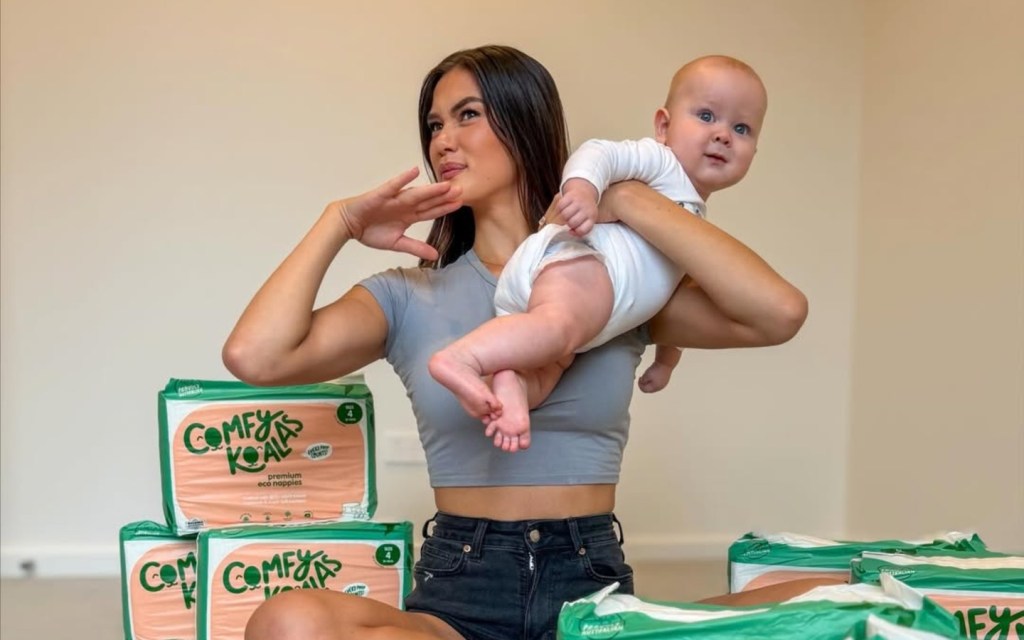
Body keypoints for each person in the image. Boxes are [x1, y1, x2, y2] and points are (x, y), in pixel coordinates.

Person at [223, 45, 807, 640]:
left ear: (524, 120)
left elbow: (778, 314)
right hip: (460, 602)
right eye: (434, 125)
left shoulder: (616, 287)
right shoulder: (407, 296)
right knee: (289, 620)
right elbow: (255, 356)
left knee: (824, 595)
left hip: (590, 604)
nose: (443, 141)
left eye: (467, 115)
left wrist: (629, 199)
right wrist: (340, 222)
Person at [429, 56, 768, 452]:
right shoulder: (661, 164)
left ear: (754, 151)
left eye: (741, 128)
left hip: (575, 302)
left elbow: (673, 288)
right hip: (576, 264)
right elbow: (598, 153)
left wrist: (666, 362)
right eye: (706, 116)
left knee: (550, 365)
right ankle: (464, 358)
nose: (723, 135)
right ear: (664, 126)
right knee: (557, 329)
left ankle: (511, 389)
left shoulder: (688, 217)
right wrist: (583, 191)